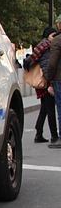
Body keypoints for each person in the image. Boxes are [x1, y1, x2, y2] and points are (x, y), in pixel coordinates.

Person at [27, 27, 58, 143]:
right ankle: (54, 136)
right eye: (53, 35)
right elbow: (46, 66)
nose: (54, 37)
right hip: (46, 83)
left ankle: (38, 133)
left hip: (42, 83)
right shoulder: (47, 48)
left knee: (44, 109)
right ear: (48, 36)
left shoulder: (41, 47)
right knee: (50, 110)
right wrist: (50, 84)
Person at [45, 16, 61, 148]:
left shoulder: (57, 40)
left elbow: (52, 63)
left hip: (59, 79)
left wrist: (49, 78)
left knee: (60, 109)